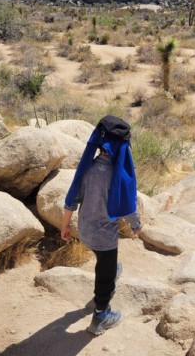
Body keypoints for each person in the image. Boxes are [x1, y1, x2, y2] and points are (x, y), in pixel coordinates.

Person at [61, 115, 142, 336]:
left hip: (84, 230)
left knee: (105, 262)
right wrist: (136, 224)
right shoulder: (117, 173)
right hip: (105, 237)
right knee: (104, 277)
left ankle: (112, 270)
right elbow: (126, 206)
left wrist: (65, 225)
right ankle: (101, 315)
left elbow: (72, 197)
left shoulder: (88, 166)